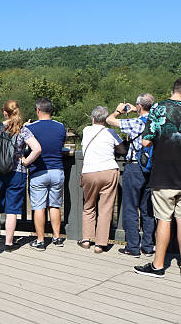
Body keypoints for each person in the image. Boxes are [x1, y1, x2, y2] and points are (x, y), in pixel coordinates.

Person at [134, 78, 181, 278]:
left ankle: (158, 266)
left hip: (163, 175)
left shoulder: (158, 109)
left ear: (174, 90)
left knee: (164, 219)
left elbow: (146, 141)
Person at [0, 100, 41, 251]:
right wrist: (26, 162)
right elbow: (37, 149)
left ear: (5, 112)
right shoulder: (22, 129)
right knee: (12, 210)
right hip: (17, 172)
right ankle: (9, 242)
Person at [106, 94, 156, 258]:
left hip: (134, 167)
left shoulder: (135, 122)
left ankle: (133, 247)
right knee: (148, 209)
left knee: (130, 207)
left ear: (139, 106)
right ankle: (148, 247)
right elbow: (153, 109)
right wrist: (138, 108)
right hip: (152, 169)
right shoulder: (157, 121)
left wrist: (118, 111)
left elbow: (109, 120)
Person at [25, 98, 68, 250]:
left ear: (38, 111)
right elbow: (61, 144)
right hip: (57, 170)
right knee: (55, 206)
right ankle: (57, 238)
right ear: (52, 111)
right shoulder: (60, 127)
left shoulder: (30, 128)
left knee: (39, 207)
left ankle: (41, 241)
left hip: (39, 172)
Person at [79, 106, 122, 253]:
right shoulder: (111, 132)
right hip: (109, 170)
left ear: (92, 118)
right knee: (105, 208)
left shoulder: (86, 130)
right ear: (105, 119)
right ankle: (100, 244)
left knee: (89, 206)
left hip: (89, 172)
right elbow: (123, 149)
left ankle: (86, 239)